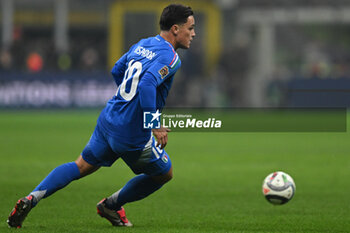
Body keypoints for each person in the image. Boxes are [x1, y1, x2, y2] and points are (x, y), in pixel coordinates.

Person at [7, 4, 195, 228]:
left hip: (109, 120)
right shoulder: (171, 58)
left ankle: (32, 198)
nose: (193, 33)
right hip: (132, 134)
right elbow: (146, 84)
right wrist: (154, 124)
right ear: (175, 29)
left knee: (80, 166)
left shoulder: (143, 43)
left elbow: (117, 69)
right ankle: (112, 205)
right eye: (190, 28)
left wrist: (127, 101)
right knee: (165, 173)